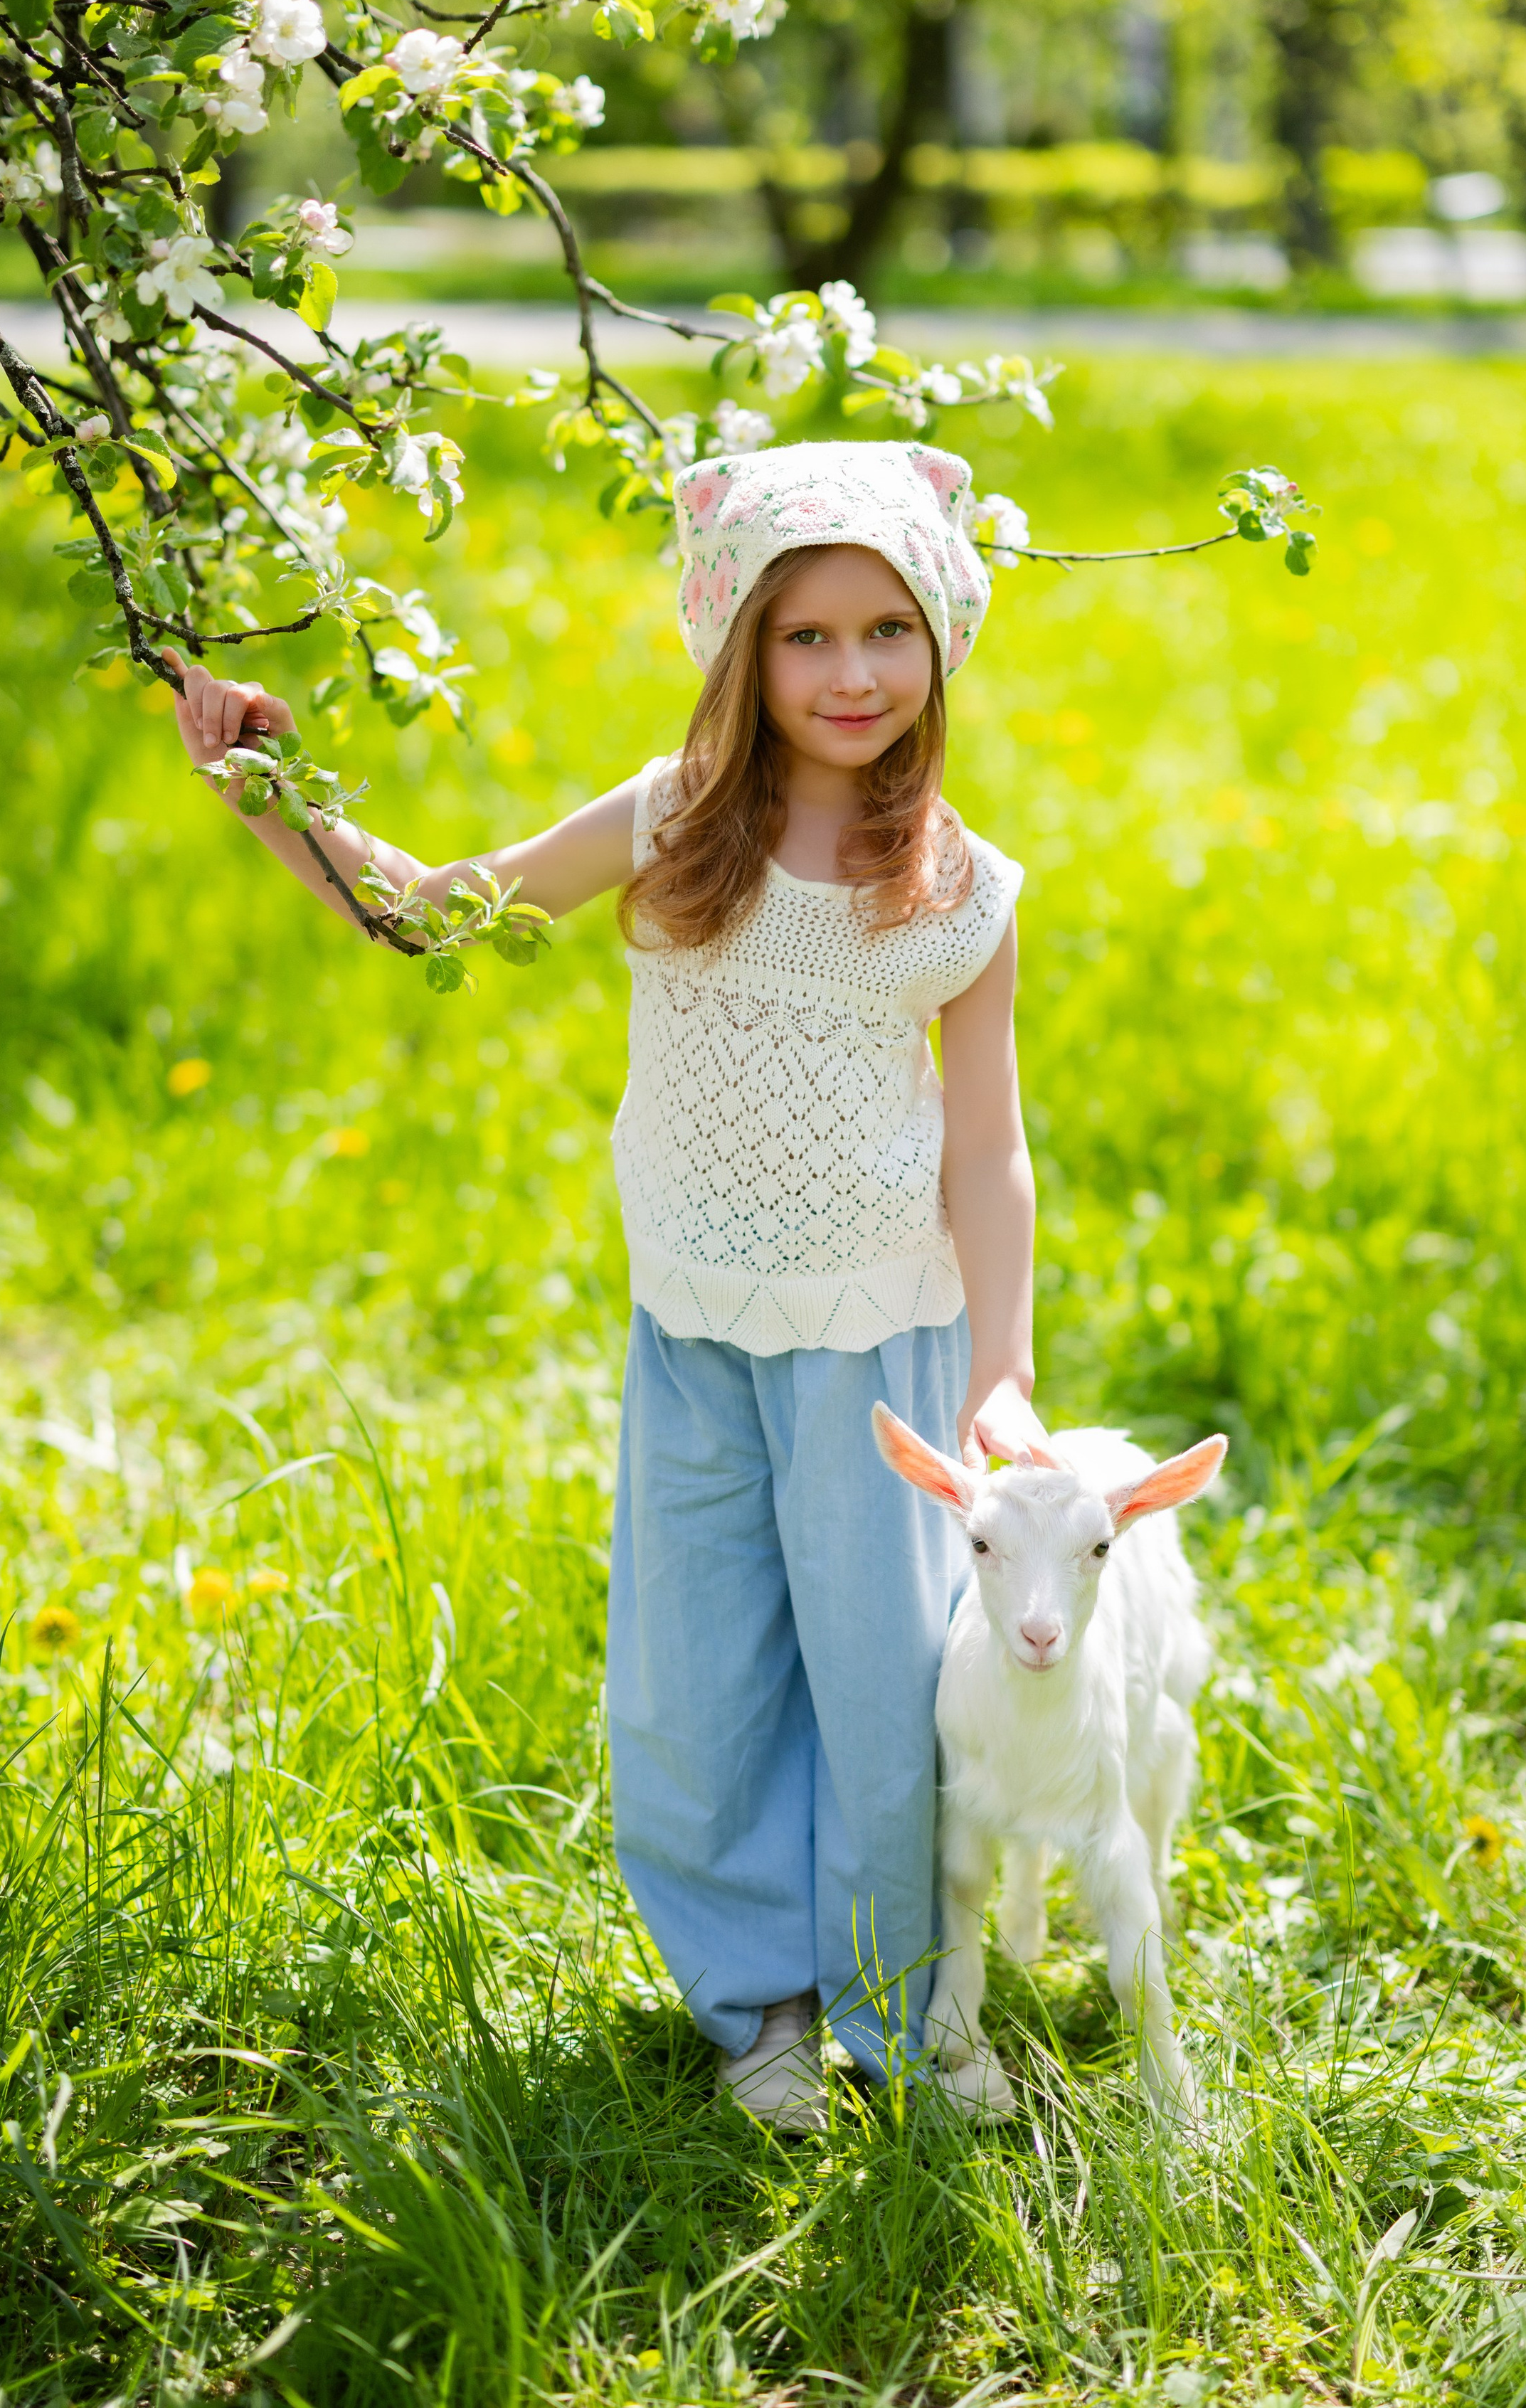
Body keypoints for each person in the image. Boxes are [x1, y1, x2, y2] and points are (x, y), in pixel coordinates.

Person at [166, 437, 1050, 2128]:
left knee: (883, 1689)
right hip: (694, 1326)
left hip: (880, 1342)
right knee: (696, 1677)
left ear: (940, 638)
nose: (850, 671)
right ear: (740, 647)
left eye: (886, 628)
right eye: (804, 635)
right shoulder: (668, 820)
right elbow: (436, 912)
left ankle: (907, 2012)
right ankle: (759, 1998)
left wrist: (997, 1367)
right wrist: (272, 791)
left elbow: (987, 1145)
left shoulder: (961, 889)